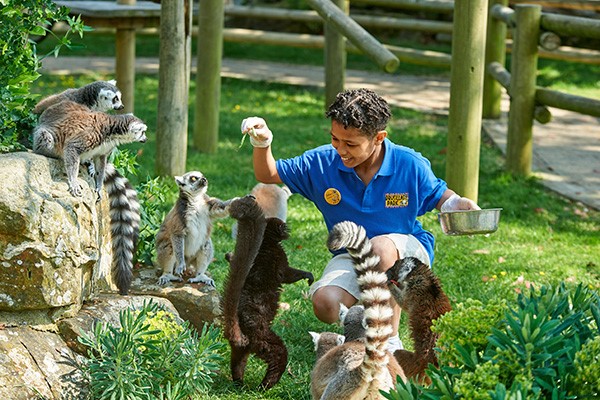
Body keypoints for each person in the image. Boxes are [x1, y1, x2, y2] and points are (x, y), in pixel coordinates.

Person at [240, 88, 479, 352]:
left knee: (381, 248)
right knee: (326, 305)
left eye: (350, 144)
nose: (340, 149)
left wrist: (459, 204)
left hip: (405, 254)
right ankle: (361, 334)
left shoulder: (408, 164)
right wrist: (262, 143)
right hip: (354, 255)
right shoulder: (321, 162)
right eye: (335, 139)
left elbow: (441, 196)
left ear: (379, 137)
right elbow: (269, 173)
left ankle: (388, 341)